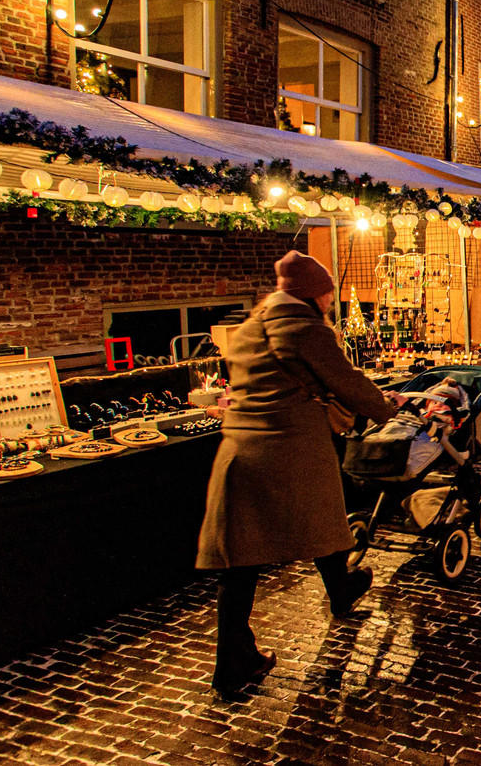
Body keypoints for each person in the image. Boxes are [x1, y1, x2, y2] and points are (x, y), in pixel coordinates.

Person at [197, 250, 398, 694]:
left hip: (239, 449)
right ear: (316, 294)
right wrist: (386, 407)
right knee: (317, 514)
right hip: (288, 447)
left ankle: (239, 655)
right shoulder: (307, 328)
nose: (329, 301)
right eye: (327, 294)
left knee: (242, 560)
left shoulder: (254, 323)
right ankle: (239, 657)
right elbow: (343, 379)